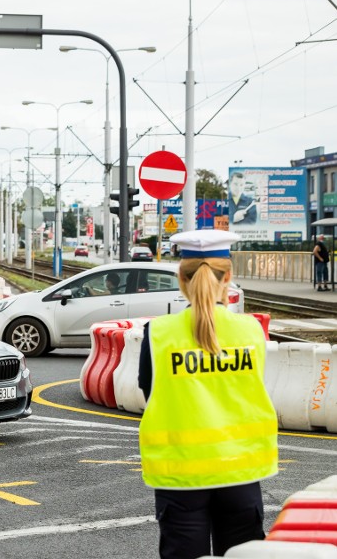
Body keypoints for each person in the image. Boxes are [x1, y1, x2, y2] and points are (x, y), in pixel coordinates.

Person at [137, 229, 278, 559]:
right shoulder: (251, 330)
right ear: (228, 276)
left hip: (180, 478)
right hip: (241, 472)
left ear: (181, 278)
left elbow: (150, 391)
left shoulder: (158, 334)